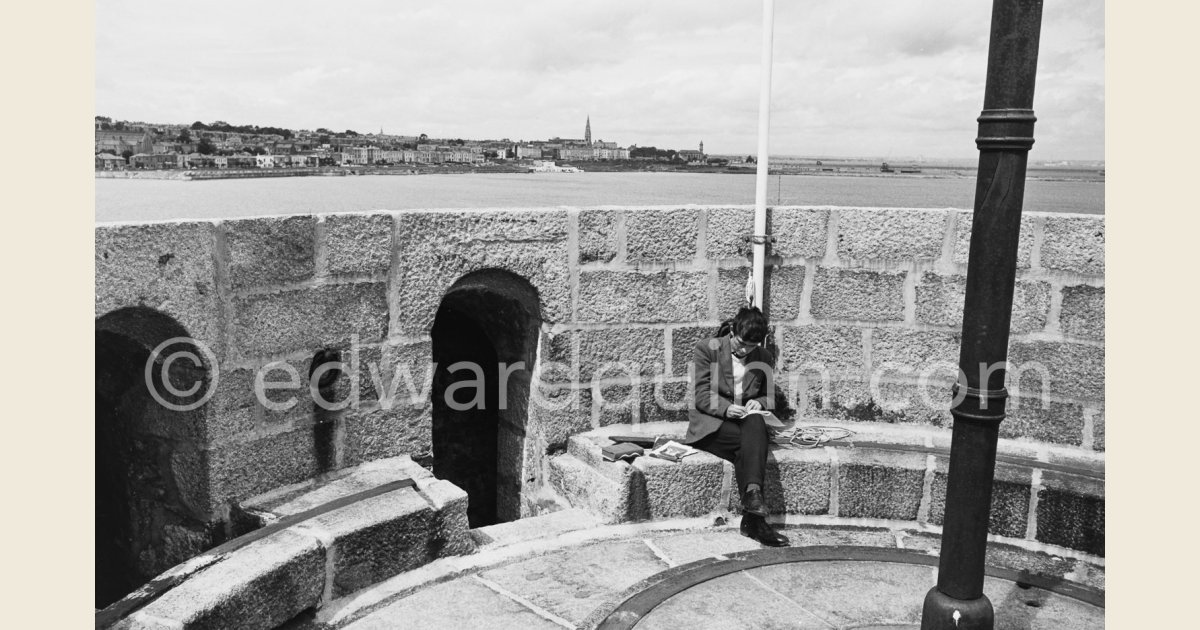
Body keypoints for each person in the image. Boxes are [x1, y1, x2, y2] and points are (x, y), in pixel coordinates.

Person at [683, 306, 790, 547]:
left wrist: (758, 401)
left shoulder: (763, 357)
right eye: (741, 343)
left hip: (744, 425)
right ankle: (755, 521)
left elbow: (770, 398)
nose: (744, 350)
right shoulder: (708, 349)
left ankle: (753, 502)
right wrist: (725, 408)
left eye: (751, 346)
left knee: (754, 422)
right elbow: (700, 394)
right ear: (732, 331)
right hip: (713, 426)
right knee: (753, 444)